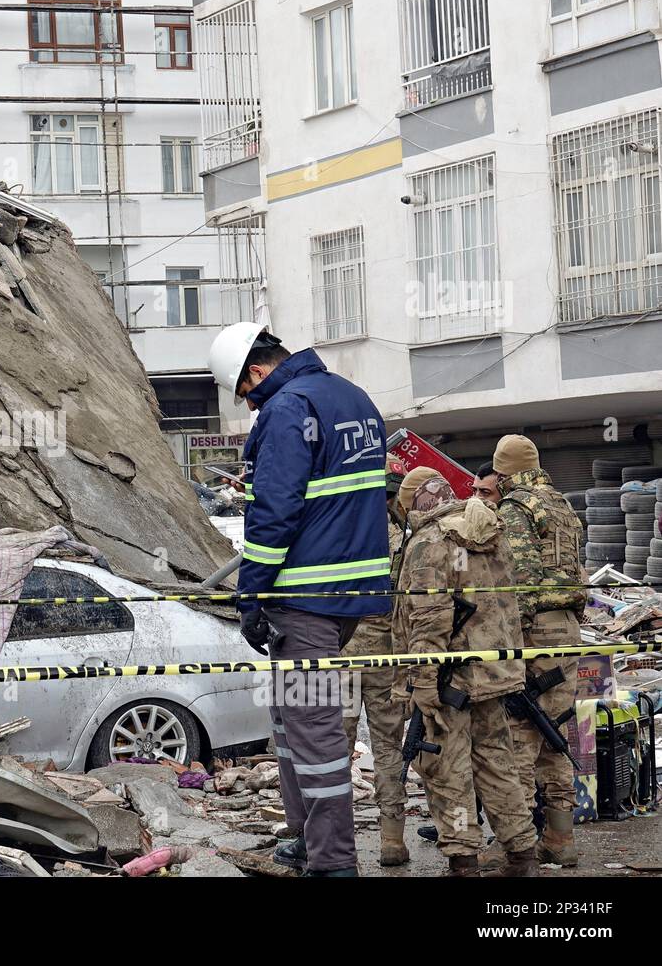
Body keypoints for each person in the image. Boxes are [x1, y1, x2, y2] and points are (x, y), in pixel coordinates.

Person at [208, 322, 391, 877]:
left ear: (256, 371)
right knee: (287, 718)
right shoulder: (354, 398)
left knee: (312, 731)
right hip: (350, 595)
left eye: (246, 393)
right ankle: (303, 835)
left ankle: (332, 860)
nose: (251, 404)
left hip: (304, 597)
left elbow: (275, 514)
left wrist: (251, 593)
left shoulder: (287, 408)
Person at [393, 468, 539, 877]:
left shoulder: (430, 542)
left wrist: (422, 683)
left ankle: (463, 861)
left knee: (447, 772)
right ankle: (523, 854)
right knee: (498, 765)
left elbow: (429, 619)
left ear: (415, 502)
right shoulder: (489, 532)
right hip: (494, 675)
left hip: (449, 681)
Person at [492, 434, 587, 867]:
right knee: (557, 729)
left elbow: (522, 576)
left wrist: (513, 633)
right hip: (568, 629)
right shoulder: (562, 505)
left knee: (522, 733)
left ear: (503, 469)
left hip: (535, 634)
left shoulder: (516, 508)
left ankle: (519, 844)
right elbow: (578, 570)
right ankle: (561, 839)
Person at [341, 457, 410, 867]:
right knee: (388, 746)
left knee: (336, 748)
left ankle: (334, 840)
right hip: (386, 654)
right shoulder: (406, 537)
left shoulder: (343, 531)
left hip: (345, 652)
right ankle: (392, 838)